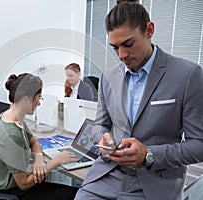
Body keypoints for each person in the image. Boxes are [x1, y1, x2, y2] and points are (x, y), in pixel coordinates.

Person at [75, 2, 203, 200]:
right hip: (106, 177)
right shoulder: (108, 77)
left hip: (153, 185)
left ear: (149, 30)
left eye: (128, 44)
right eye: (115, 47)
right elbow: (100, 125)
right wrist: (102, 138)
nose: (121, 55)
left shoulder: (187, 75)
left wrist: (149, 154)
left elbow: (199, 145)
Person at [0, 73, 79, 200]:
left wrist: (39, 160)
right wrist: (57, 161)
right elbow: (24, 183)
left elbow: (34, 142)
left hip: (16, 184)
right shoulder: (11, 134)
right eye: (38, 98)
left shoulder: (11, 117)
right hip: (11, 193)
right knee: (74, 194)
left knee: (71, 191)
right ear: (27, 99)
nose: (39, 103)